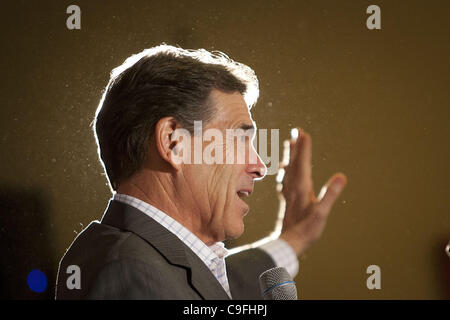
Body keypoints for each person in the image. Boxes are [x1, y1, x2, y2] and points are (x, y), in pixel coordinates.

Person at [55, 45, 347, 299]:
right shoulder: (131, 272)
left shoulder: (149, 260)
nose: (259, 166)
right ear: (174, 143)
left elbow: (218, 282)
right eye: (240, 139)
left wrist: (295, 237)